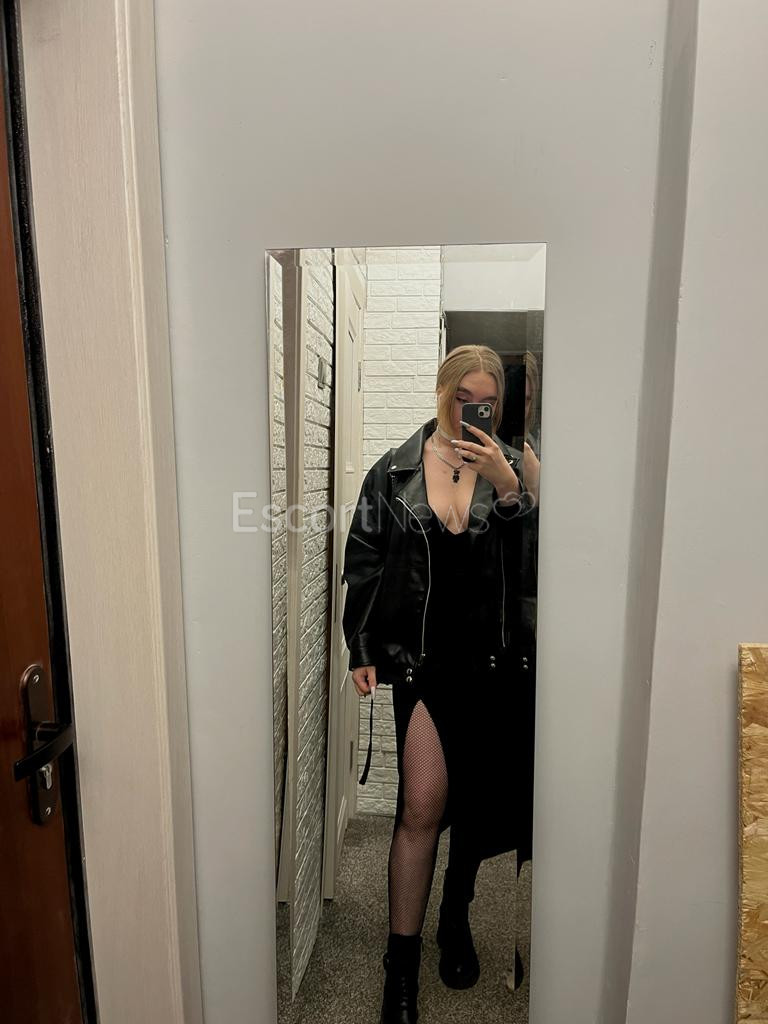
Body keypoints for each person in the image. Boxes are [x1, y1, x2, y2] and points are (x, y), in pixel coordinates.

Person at [341, 344, 535, 1023]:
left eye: (487, 401)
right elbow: (364, 557)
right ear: (443, 392)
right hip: (424, 664)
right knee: (422, 805)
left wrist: (510, 490)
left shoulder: (517, 465)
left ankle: (455, 916)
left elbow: (541, 566)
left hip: (496, 664)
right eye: (463, 397)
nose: (473, 411)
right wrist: (362, 645)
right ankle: (401, 964)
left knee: (477, 806)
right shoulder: (395, 469)